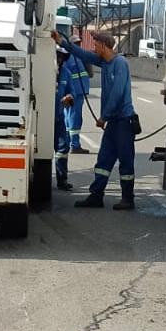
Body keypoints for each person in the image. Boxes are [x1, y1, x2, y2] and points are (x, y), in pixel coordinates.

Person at [52, 28, 136, 210]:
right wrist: (62, 42)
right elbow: (82, 54)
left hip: (123, 122)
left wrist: (104, 117)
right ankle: (96, 195)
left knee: (125, 160)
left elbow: (117, 93)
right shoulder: (105, 63)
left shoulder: (119, 63)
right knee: (103, 161)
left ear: (105, 46)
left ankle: (128, 198)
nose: (94, 47)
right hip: (114, 122)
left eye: (97, 44)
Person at [53, 49, 78, 191]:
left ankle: (62, 180)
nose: (59, 59)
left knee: (63, 148)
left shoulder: (66, 74)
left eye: (61, 57)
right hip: (43, 120)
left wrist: (69, 97)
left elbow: (72, 91)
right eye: (57, 56)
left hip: (59, 118)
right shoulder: (43, 71)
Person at [61, 39, 91, 154]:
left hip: (75, 90)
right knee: (74, 117)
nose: (79, 45)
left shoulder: (73, 57)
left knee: (69, 116)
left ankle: (69, 143)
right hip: (75, 91)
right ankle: (75, 144)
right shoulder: (70, 57)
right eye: (76, 44)